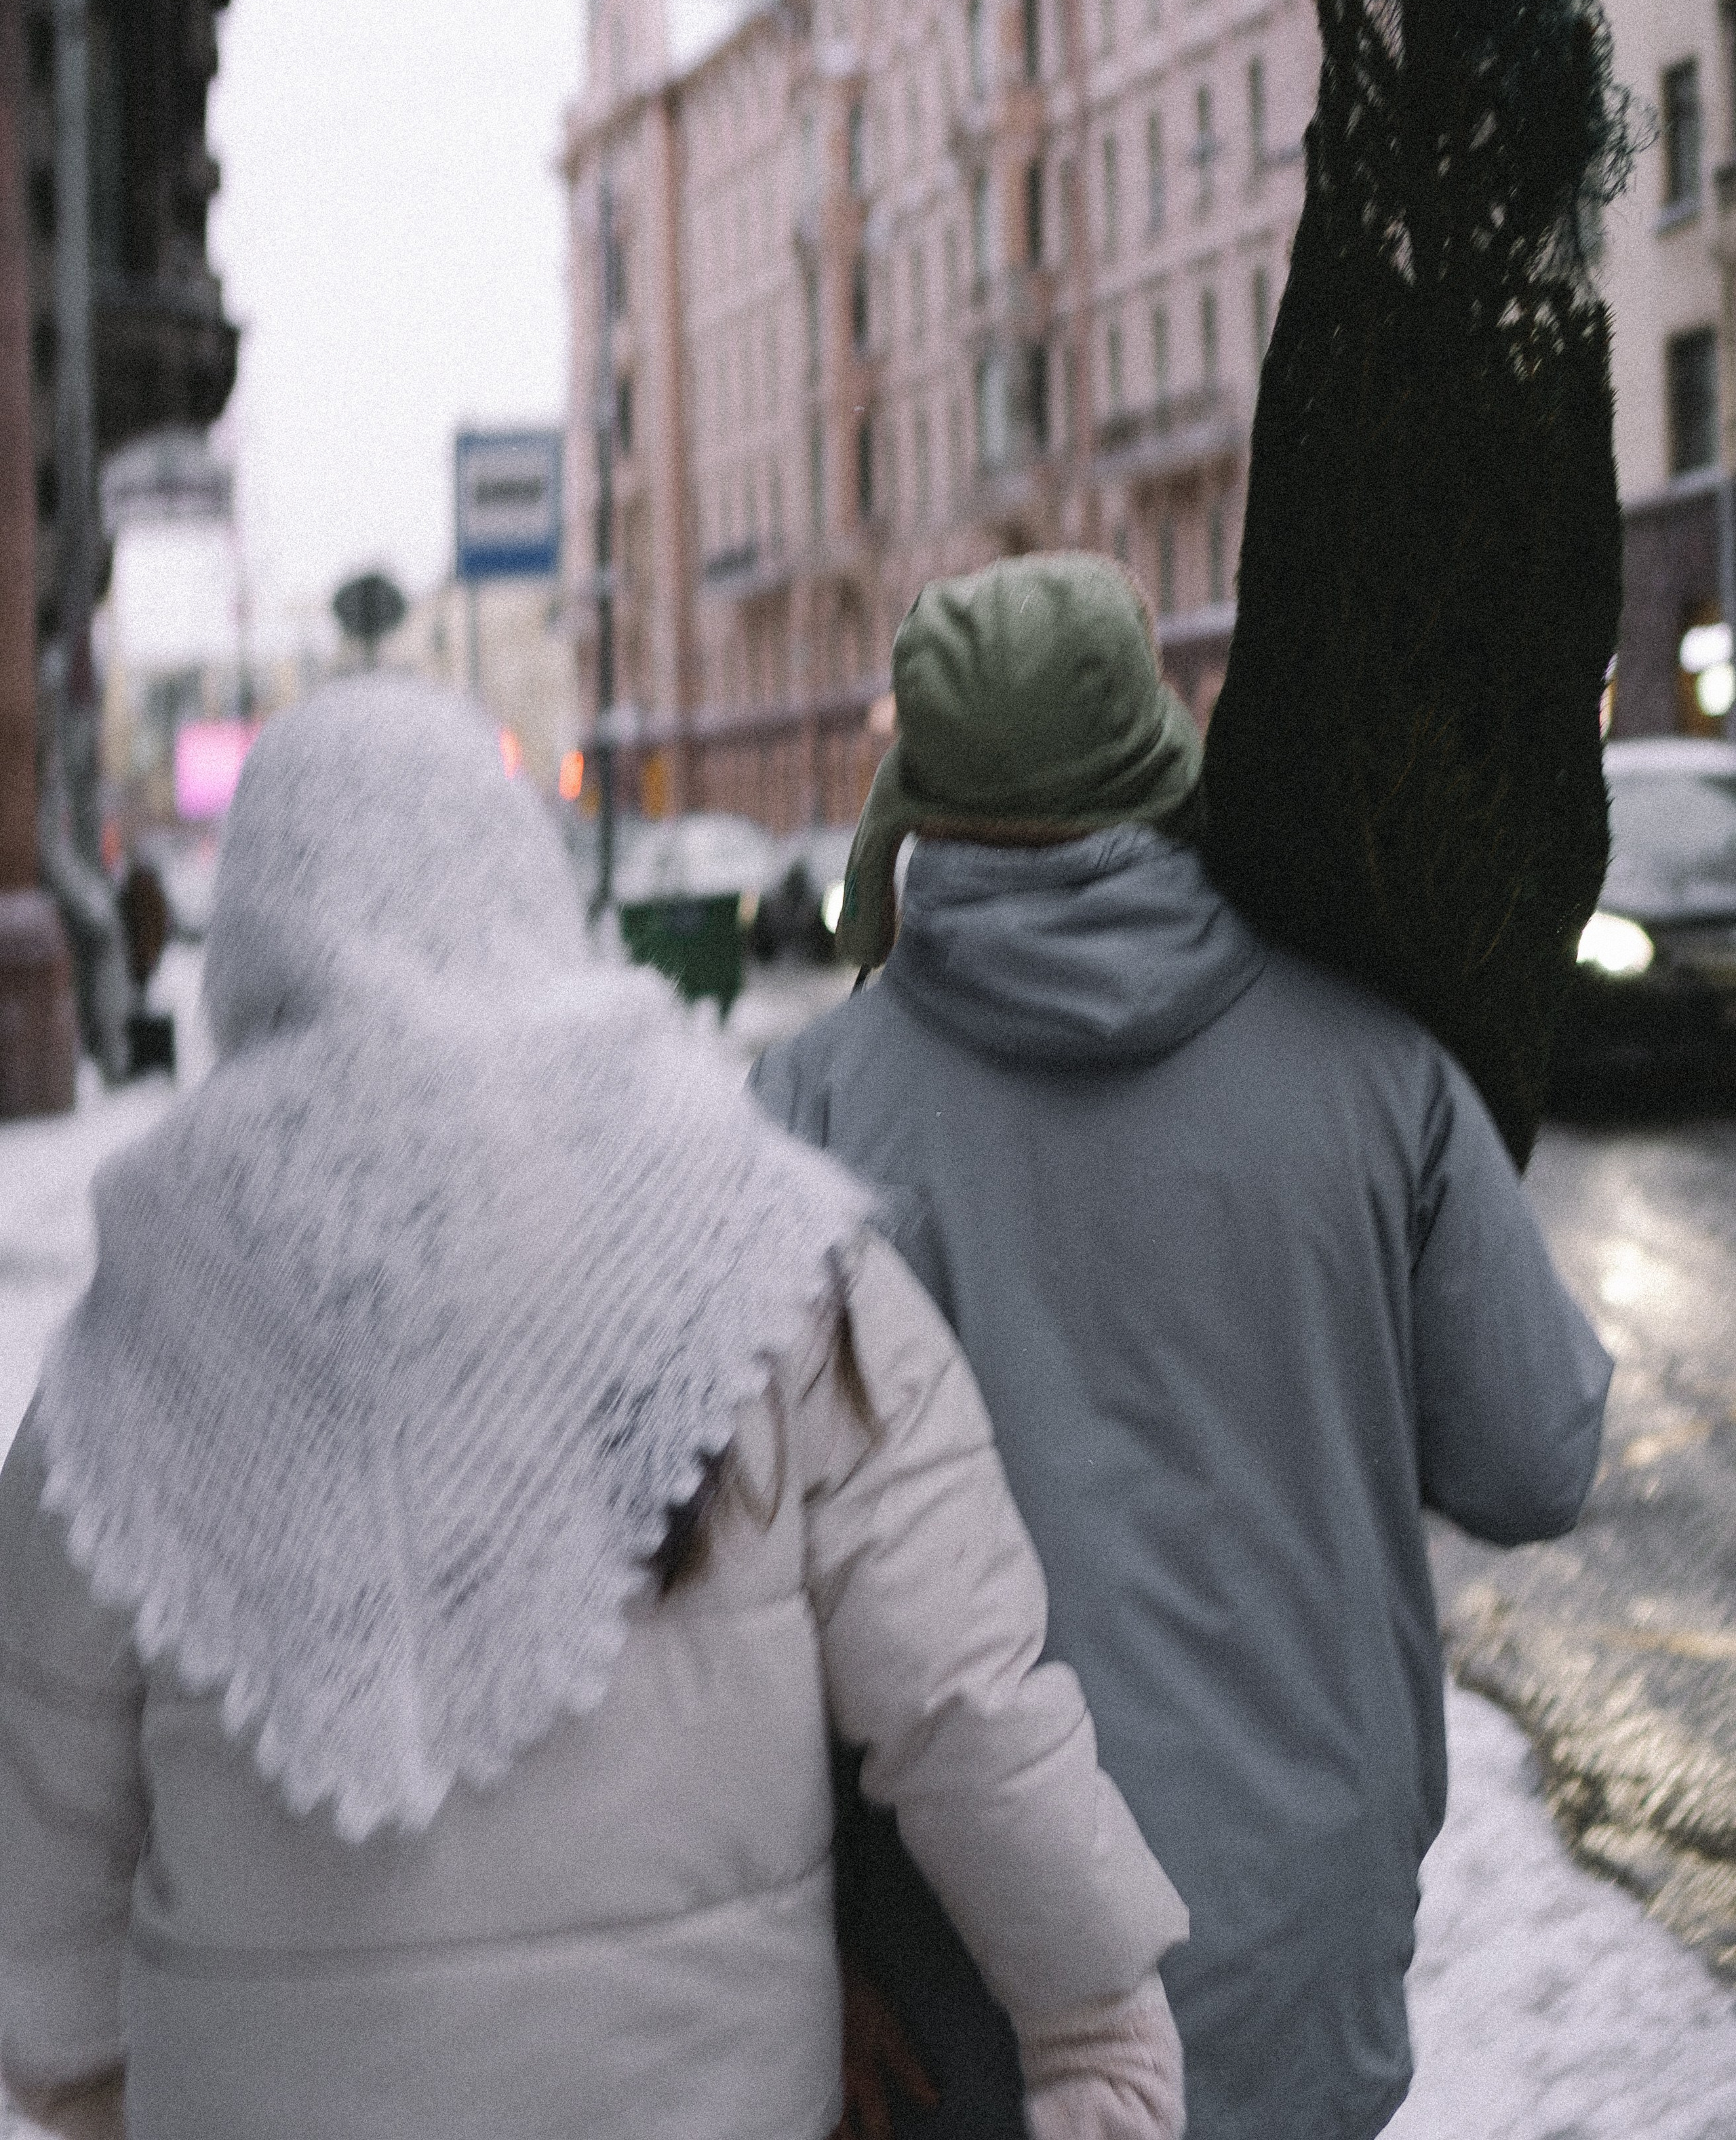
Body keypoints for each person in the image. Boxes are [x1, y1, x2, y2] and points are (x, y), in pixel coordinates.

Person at [0, 676, 1189, 2140]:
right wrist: (1090, 2017)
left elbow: (40, 1781)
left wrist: (75, 2069)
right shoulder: (752, 1245)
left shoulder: (143, 1328)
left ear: (250, 938)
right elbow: (960, 1694)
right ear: (522, 889)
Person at [753, 553, 1614, 2140]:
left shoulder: (800, 1124)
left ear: (915, 799)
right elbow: (1535, 1457)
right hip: (1305, 1948)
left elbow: (730, 1613)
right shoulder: (1377, 1064)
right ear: (1158, 748)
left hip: (963, 1982)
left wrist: (817, 1960)